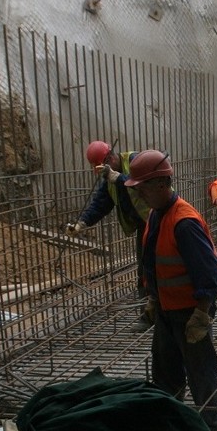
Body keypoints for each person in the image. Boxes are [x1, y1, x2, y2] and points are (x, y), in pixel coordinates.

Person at [126, 149, 217, 431]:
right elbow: (155, 262)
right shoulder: (157, 215)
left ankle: (209, 429)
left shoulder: (184, 222)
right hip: (166, 310)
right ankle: (170, 425)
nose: (139, 194)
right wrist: (153, 299)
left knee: (200, 373)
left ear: (161, 184)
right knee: (166, 372)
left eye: (142, 187)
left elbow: (207, 272)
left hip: (190, 312)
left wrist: (202, 315)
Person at [66, 140, 152, 330]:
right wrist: (82, 223)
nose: (103, 171)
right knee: (145, 271)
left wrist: (120, 178)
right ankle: (148, 316)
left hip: (161, 220)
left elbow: (148, 182)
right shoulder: (109, 181)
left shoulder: (135, 159)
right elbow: (100, 204)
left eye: (103, 165)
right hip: (143, 227)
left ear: (111, 157)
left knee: (165, 267)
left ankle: (169, 311)